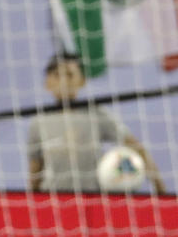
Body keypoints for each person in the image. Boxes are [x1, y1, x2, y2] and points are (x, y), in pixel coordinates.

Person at [28, 53, 166, 194]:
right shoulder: (38, 122)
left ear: (82, 81)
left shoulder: (96, 114)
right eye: (57, 75)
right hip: (52, 200)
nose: (63, 82)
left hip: (91, 198)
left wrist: (159, 186)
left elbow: (135, 146)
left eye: (69, 75)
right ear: (47, 83)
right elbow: (35, 169)